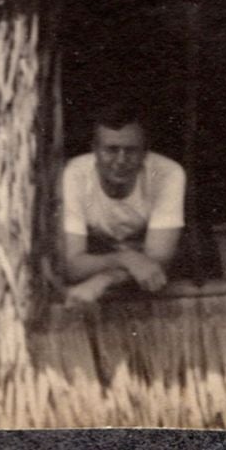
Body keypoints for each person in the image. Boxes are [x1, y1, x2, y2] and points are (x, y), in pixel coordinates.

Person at [57, 99, 186, 308]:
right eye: (111, 149)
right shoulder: (74, 174)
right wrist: (127, 259)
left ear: (145, 153)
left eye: (131, 150)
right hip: (103, 268)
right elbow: (71, 265)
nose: (120, 160)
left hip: (129, 286)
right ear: (94, 151)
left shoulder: (168, 173)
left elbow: (156, 265)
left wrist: (102, 280)